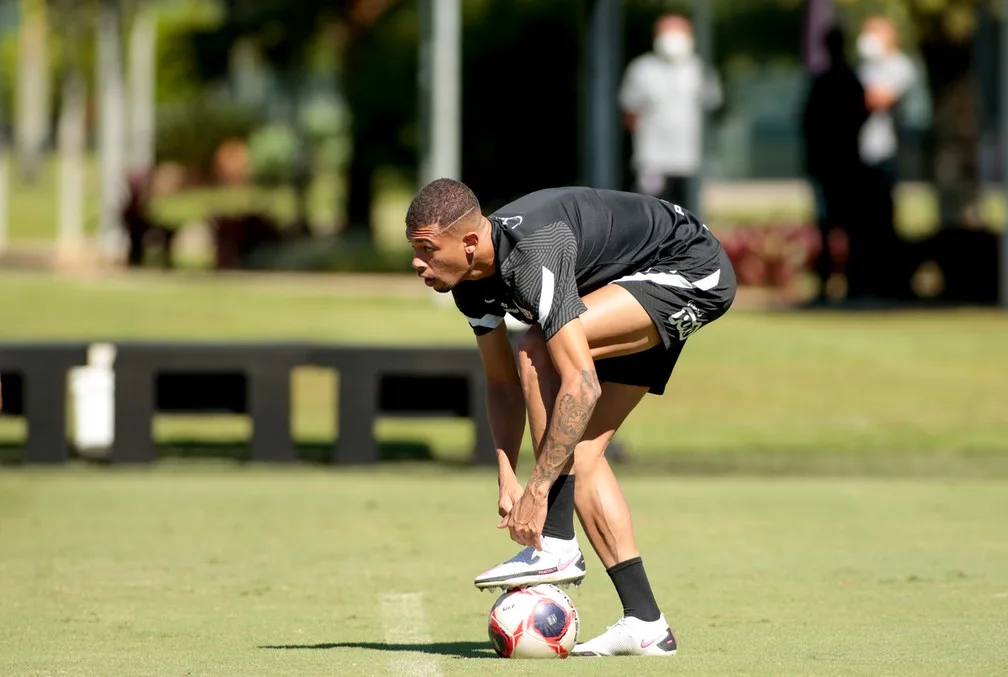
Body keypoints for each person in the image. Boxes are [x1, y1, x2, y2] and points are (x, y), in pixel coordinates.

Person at [405, 179, 737, 657]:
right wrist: (507, 474)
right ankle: (646, 623)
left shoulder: (533, 252)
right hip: (615, 282)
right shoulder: (469, 285)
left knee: (538, 349)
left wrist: (538, 490)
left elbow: (581, 383)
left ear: (470, 242)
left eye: (428, 249)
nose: (418, 263)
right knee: (578, 454)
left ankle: (556, 540)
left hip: (688, 268)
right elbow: (500, 385)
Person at [619, 14, 722, 207]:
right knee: (652, 210)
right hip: (652, 159)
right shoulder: (642, 69)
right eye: (666, 32)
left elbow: (712, 108)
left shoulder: (700, 69)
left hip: (691, 159)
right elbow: (630, 112)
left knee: (690, 213)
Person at [801, 25, 869, 303]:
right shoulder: (849, 80)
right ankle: (847, 282)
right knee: (841, 225)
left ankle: (834, 283)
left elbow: (808, 124)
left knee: (832, 225)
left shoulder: (828, 81)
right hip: (843, 163)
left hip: (834, 164)